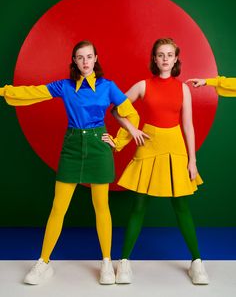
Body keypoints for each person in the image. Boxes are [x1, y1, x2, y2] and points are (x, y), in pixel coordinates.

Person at [0, 40, 139, 285]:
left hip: (99, 146)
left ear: (96, 58)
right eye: (80, 57)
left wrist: (118, 141)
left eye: (89, 56)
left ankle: (106, 262)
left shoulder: (108, 87)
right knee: (58, 207)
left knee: (101, 207)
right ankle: (43, 262)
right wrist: (4, 91)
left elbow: (131, 114)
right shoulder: (64, 86)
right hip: (72, 147)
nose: (85, 61)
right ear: (74, 61)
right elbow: (34, 92)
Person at [107, 38, 209, 285]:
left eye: (169, 55)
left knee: (181, 206)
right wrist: (132, 130)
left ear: (176, 59)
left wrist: (192, 160)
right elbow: (115, 110)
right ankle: (124, 263)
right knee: (139, 206)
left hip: (176, 148)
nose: (165, 59)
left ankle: (197, 263)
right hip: (148, 145)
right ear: (154, 59)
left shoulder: (183, 89)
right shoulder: (142, 85)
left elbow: (188, 125)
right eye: (160, 55)